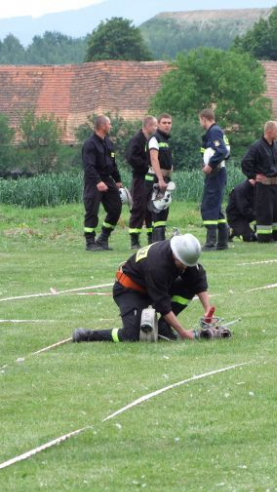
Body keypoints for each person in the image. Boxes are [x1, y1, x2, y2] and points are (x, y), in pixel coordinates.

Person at [72, 234, 213, 342]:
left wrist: (207, 310)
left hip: (150, 285)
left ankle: (163, 328)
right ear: (175, 255)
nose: (185, 267)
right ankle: (89, 335)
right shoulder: (157, 266)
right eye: (183, 264)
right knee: (132, 335)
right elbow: (162, 305)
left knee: (188, 286)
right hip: (129, 290)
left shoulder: (181, 254)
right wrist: (183, 333)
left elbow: (197, 279)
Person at [81, 115, 123, 251]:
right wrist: (98, 182)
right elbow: (89, 166)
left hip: (107, 179)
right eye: (109, 124)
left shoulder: (109, 144)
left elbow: (113, 163)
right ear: (103, 126)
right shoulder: (90, 144)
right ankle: (90, 242)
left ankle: (103, 239)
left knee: (116, 208)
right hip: (93, 180)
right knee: (92, 211)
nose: (111, 126)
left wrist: (117, 180)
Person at [241, 121, 277, 243]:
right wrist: (254, 176)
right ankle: (264, 238)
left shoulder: (275, 145)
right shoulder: (257, 146)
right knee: (265, 213)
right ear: (269, 131)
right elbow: (245, 162)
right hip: (263, 186)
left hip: (275, 184)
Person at [125, 116, 158, 249]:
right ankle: (134, 240)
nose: (156, 128)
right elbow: (131, 157)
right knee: (139, 208)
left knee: (151, 208)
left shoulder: (152, 140)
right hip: (140, 178)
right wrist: (146, 166)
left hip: (151, 180)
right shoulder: (137, 140)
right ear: (148, 126)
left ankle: (152, 238)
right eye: (155, 126)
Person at [199, 108, 230, 251]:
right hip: (216, 173)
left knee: (209, 205)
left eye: (200, 120)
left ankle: (211, 242)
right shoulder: (214, 132)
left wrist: (210, 165)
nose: (200, 123)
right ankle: (223, 242)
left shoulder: (214, 131)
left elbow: (222, 151)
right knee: (215, 207)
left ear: (204, 118)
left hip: (216, 173)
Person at [146, 113, 175, 243]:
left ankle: (159, 243)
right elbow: (154, 158)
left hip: (165, 179)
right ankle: (157, 244)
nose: (167, 125)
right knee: (158, 210)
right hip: (157, 179)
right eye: (164, 122)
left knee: (163, 210)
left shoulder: (165, 140)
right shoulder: (155, 139)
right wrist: (160, 179)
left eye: (169, 123)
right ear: (158, 124)